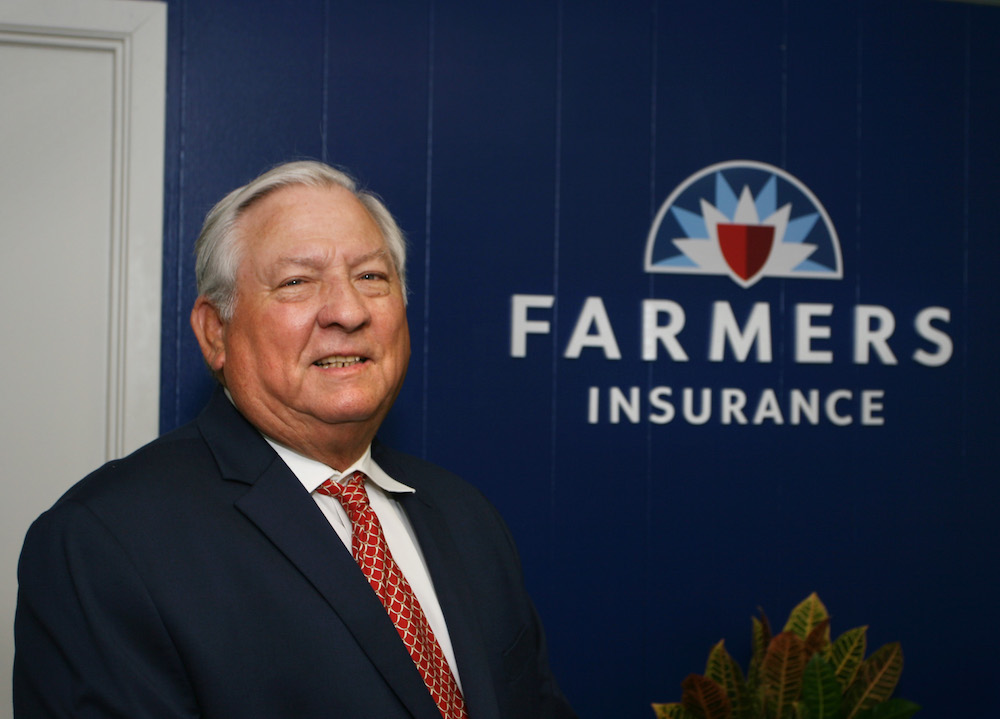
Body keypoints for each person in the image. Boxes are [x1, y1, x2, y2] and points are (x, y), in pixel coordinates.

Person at [13, 160, 576, 719]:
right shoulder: (103, 542)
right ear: (216, 331)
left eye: (371, 277)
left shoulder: (465, 516)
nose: (349, 311)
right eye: (297, 282)